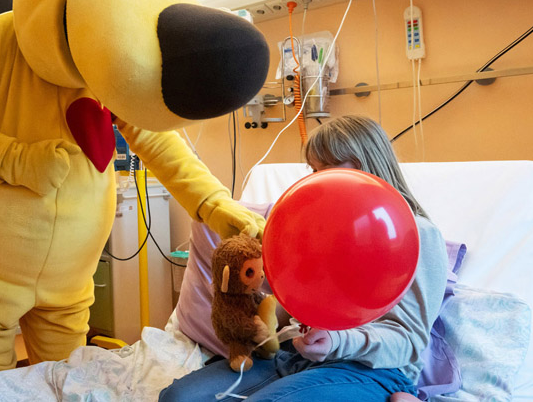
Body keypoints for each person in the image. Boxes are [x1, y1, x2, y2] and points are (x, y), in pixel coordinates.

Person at [160, 115, 449, 401]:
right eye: (313, 170)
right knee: (177, 398)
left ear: (362, 167)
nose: (315, 180)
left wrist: (336, 340)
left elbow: (409, 340)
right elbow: (294, 299)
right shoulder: (318, 227)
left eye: (326, 169)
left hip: (371, 370)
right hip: (292, 355)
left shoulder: (416, 234)